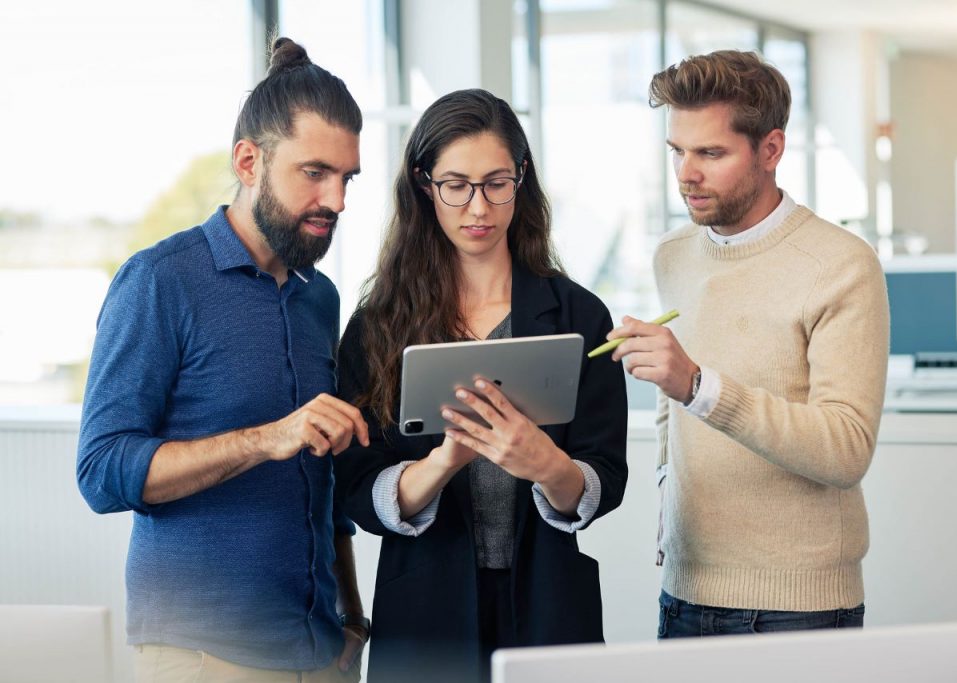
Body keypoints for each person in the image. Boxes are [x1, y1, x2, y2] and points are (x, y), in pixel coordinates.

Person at [77, 38, 373, 681]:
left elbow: (325, 490)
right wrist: (268, 439)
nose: (338, 200)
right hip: (204, 656)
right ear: (248, 161)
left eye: (347, 177)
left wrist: (352, 619)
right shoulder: (159, 282)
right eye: (315, 172)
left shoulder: (318, 298)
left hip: (324, 653)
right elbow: (101, 473)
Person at [333, 88, 628, 683]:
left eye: (497, 182)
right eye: (456, 185)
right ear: (424, 185)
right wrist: (444, 463)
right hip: (425, 613)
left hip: (547, 607)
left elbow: (606, 476)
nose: (478, 207)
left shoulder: (579, 315)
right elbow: (357, 489)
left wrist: (546, 463)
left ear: (522, 179)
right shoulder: (377, 324)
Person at [606, 50, 889, 637]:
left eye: (710, 153)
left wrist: (698, 385)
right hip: (683, 594)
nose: (687, 173)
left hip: (800, 609)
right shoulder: (674, 255)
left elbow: (845, 448)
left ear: (771, 150)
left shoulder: (841, 265)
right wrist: (668, 494)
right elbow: (670, 409)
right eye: (677, 151)